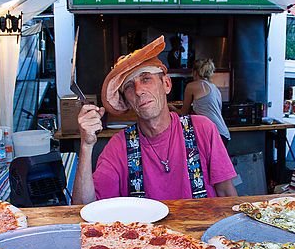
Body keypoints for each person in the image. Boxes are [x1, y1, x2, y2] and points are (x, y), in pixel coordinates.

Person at [73, 36, 237, 204]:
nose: (138, 91)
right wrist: (86, 146)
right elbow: (84, 208)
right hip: (144, 231)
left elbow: (226, 194)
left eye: (146, 79)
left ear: (166, 84)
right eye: (129, 86)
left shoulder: (203, 129)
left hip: (202, 230)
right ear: (127, 101)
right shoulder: (119, 146)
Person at [181, 58, 231, 146]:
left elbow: (183, 112)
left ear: (195, 72)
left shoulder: (192, 86)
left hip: (213, 135)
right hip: (223, 133)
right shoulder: (215, 88)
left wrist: (169, 107)